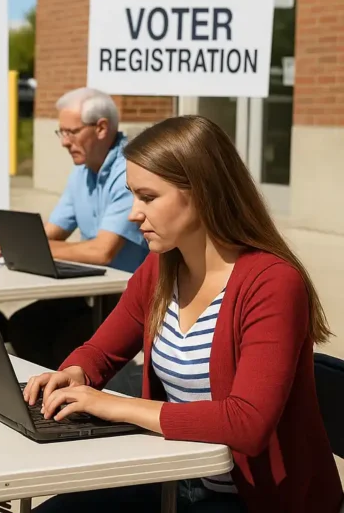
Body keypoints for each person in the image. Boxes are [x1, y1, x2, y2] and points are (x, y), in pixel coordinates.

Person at [24, 115, 342, 513]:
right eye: (132, 196)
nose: (133, 213)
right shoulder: (159, 269)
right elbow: (101, 352)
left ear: (202, 191)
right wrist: (75, 373)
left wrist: (108, 404)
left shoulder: (273, 283)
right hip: (173, 481)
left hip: (254, 499)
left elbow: (247, 423)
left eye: (148, 197)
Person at [8, 87, 151, 371]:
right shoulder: (82, 171)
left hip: (131, 302)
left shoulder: (130, 171)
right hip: (95, 295)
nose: (64, 142)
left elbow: (101, 252)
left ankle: (66, 403)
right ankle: (45, 402)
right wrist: (19, 246)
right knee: (22, 325)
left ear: (101, 128)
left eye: (71, 132)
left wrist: (32, 248)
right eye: (61, 132)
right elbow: (51, 233)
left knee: (67, 343)